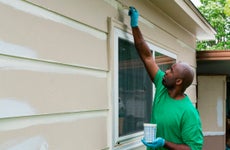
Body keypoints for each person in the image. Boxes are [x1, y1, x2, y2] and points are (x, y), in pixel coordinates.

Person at [128, 7, 203, 150]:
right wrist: (135, 25)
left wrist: (164, 143)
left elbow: (193, 149)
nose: (166, 71)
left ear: (178, 81)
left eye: (171, 70)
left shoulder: (188, 112)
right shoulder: (163, 86)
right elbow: (147, 57)